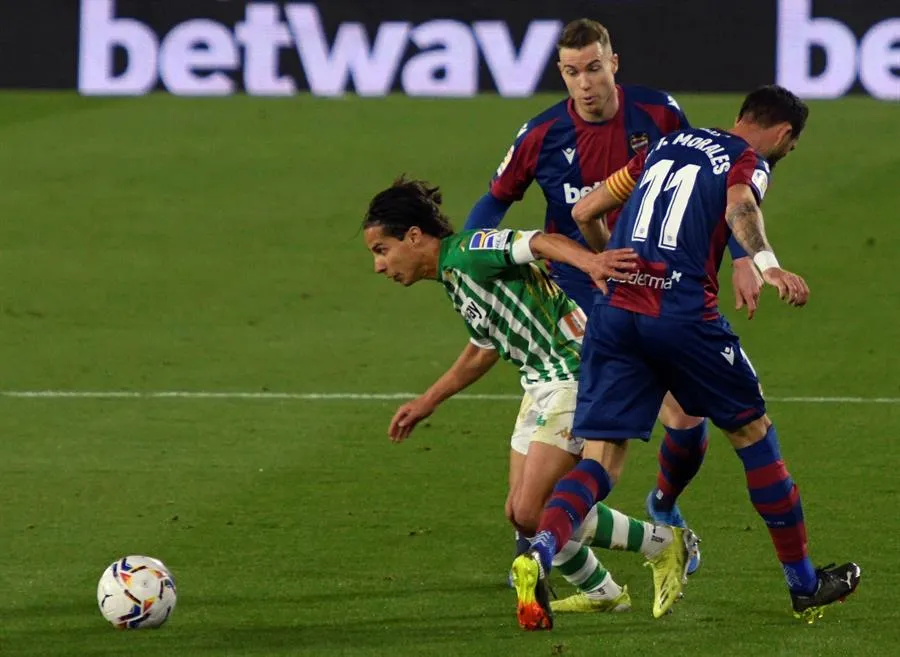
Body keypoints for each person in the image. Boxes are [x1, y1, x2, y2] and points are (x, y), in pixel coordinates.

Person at [509, 85, 861, 631]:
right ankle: (804, 584)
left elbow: (583, 208)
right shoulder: (748, 159)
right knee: (752, 434)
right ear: (784, 135)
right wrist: (766, 264)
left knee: (600, 461)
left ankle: (540, 551)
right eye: (790, 147)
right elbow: (740, 203)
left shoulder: (663, 146)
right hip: (680, 315)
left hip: (615, 312)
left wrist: (605, 259)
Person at [466, 18, 762, 569]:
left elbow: (711, 178)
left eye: (595, 68)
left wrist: (745, 258)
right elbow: (494, 201)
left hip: (655, 285)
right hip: (576, 296)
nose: (585, 83)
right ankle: (535, 531)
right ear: (562, 72)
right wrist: (470, 256)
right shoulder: (540, 134)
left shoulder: (659, 114)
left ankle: (664, 507)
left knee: (685, 416)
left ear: (614, 64)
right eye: (573, 72)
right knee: (562, 409)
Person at [362, 177, 697, 621]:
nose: (379, 266)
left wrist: (592, 263)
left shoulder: (469, 251)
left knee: (532, 507)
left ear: (414, 236)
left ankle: (664, 543)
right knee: (521, 516)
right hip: (539, 382)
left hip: (576, 371)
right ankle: (602, 590)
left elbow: (541, 241)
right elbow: (483, 348)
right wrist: (429, 400)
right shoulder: (454, 279)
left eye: (381, 250)